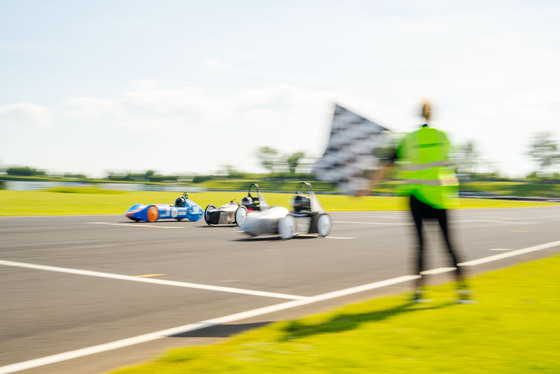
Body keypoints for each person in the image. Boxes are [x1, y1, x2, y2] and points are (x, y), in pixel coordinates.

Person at [358, 99, 474, 303]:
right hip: (439, 197)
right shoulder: (443, 137)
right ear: (432, 114)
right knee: (448, 243)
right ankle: (463, 292)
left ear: (418, 114)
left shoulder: (406, 140)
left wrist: (369, 187)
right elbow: (446, 162)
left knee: (420, 245)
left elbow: (385, 167)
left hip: (415, 197)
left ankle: (419, 292)